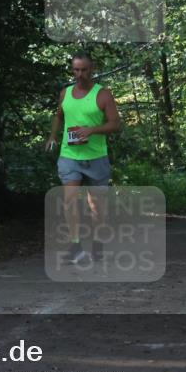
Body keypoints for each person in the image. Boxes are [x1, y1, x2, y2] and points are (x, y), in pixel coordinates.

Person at [45, 52, 122, 265]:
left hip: (96, 157)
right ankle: (75, 246)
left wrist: (92, 130)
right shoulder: (65, 93)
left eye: (84, 70)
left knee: (96, 206)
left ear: (92, 70)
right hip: (69, 156)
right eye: (76, 70)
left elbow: (115, 124)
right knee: (70, 200)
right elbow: (59, 116)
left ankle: (97, 244)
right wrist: (53, 136)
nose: (79, 74)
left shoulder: (102, 94)